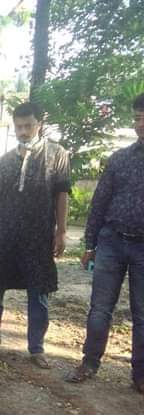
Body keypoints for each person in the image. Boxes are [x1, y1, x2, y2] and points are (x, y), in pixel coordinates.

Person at [0, 102, 71, 369]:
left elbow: (62, 194)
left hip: (39, 235)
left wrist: (61, 231)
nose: (23, 131)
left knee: (38, 292)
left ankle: (36, 348)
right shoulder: (5, 160)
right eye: (18, 126)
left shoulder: (57, 154)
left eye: (28, 125)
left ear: (39, 124)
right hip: (5, 235)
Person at [66, 93, 144, 390]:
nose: (139, 123)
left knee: (142, 313)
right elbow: (100, 202)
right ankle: (89, 362)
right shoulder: (120, 158)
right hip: (111, 241)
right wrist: (89, 244)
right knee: (100, 308)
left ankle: (140, 375)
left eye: (143, 117)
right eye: (137, 117)